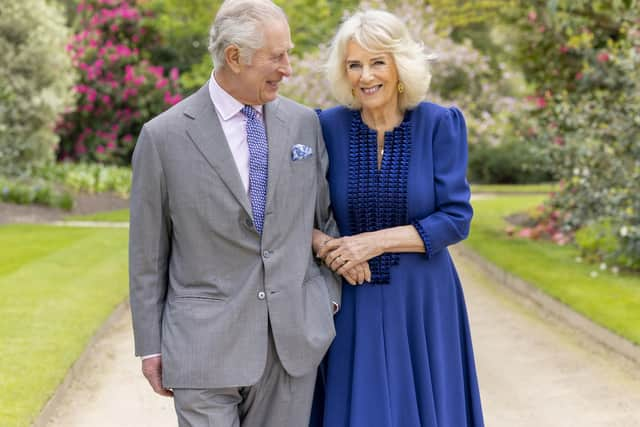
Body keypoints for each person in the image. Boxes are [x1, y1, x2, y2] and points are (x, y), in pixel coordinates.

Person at [128, 1, 354, 425]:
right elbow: (147, 254)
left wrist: (325, 301)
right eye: (277, 56)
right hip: (202, 349)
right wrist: (151, 345)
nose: (288, 68)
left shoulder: (305, 124)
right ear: (234, 57)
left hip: (291, 344)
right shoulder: (163, 137)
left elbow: (324, 219)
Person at [310, 9, 485, 427]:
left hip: (424, 300)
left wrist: (374, 241)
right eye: (354, 65)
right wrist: (327, 248)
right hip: (352, 296)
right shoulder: (323, 127)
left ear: (399, 67)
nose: (365, 76)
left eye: (377, 62)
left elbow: (456, 218)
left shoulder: (440, 124)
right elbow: (294, 212)